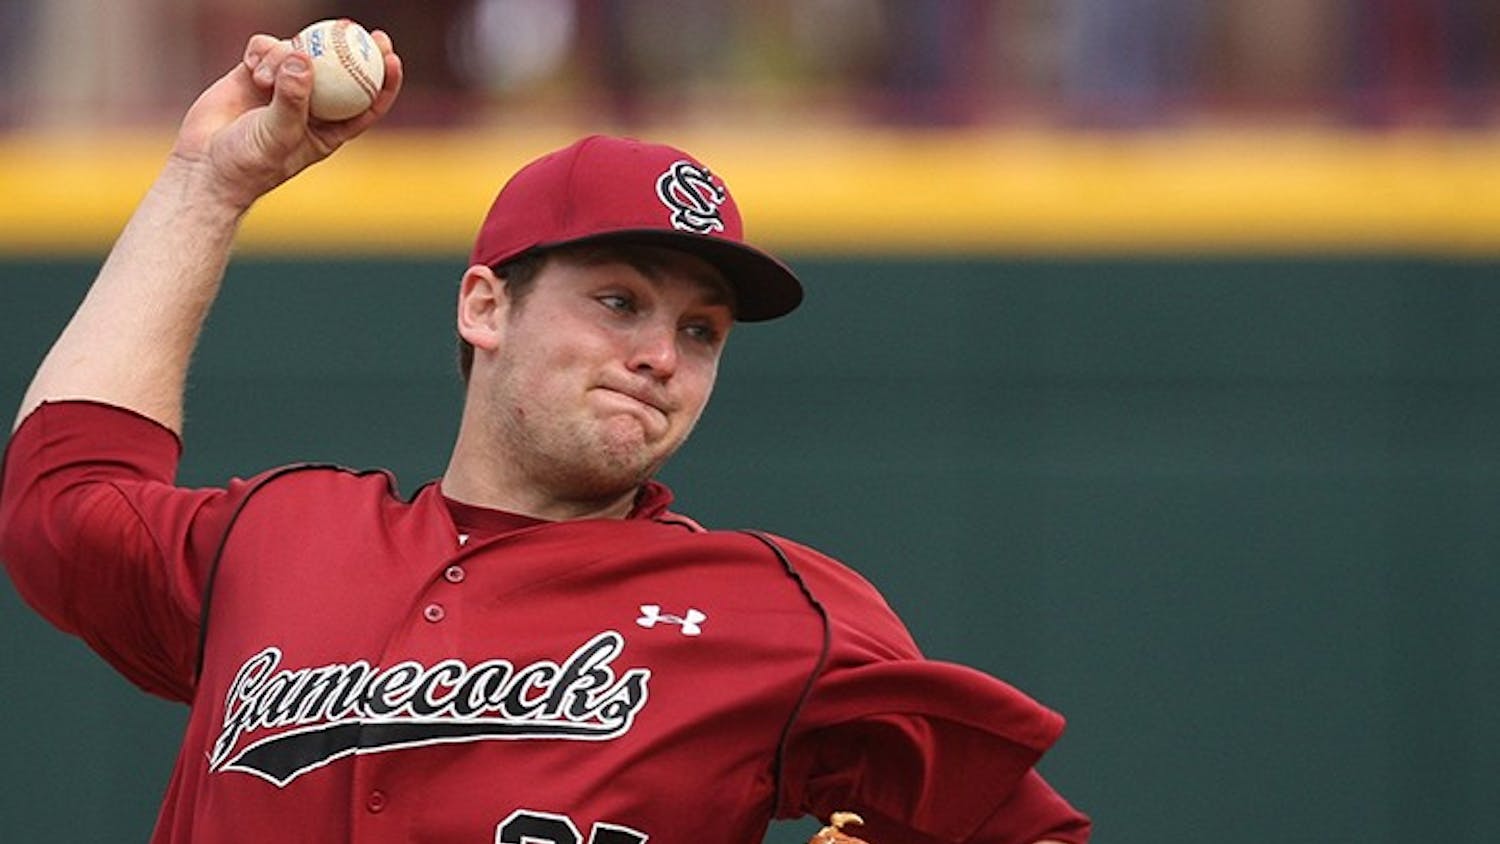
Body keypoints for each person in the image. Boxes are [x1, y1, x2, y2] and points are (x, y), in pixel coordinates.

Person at [0, 25, 1091, 844]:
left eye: (701, 329)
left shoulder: (777, 611)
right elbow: (61, 498)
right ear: (486, 306)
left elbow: (1024, 826)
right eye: (619, 301)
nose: (662, 353)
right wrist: (207, 183)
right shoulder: (279, 539)